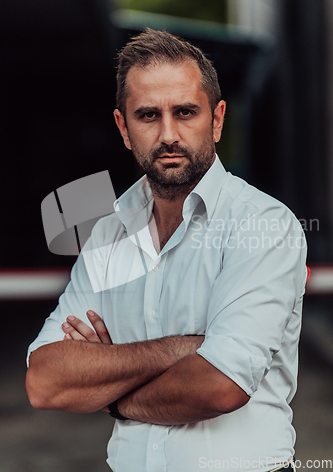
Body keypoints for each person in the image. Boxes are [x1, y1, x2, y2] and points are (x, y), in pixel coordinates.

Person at [26, 28, 307, 472]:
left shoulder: (262, 225)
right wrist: (182, 349)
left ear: (216, 119)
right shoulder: (108, 236)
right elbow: (45, 381)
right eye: (148, 115)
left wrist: (111, 390)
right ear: (123, 127)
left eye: (186, 111)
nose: (169, 133)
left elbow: (219, 385)